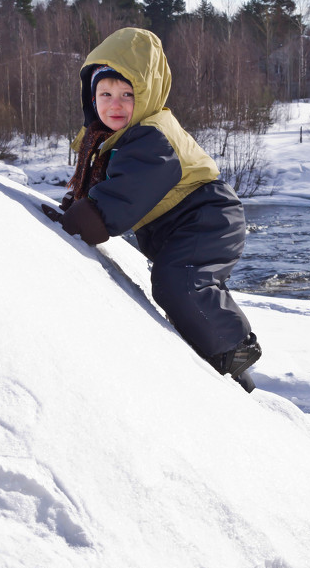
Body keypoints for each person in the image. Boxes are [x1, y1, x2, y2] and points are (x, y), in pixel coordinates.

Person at [60, 27, 261, 388]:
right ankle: (208, 345)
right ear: (91, 98)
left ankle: (233, 353)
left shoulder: (153, 138)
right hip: (183, 224)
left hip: (207, 218)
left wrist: (79, 220)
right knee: (186, 284)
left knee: (179, 281)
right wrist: (77, 204)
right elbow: (102, 189)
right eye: (105, 93)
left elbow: (117, 204)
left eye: (127, 94)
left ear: (148, 94)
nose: (115, 104)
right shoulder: (110, 140)